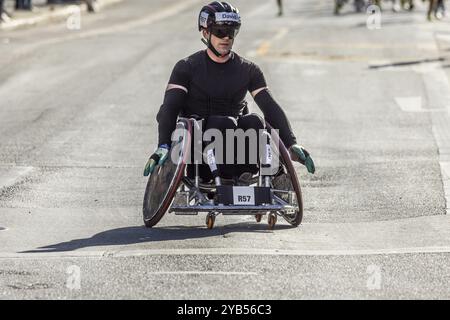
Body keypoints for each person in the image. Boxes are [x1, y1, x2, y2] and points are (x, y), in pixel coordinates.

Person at [144, 1, 315, 181]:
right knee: (223, 123)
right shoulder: (186, 67)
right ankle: (220, 178)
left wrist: (291, 143)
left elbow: (269, 106)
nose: (226, 37)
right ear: (205, 32)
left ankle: (249, 175)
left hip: (239, 149)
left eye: (231, 32)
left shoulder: (249, 70)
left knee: (255, 120)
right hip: (200, 150)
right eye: (220, 31)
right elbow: (170, 107)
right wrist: (163, 144)